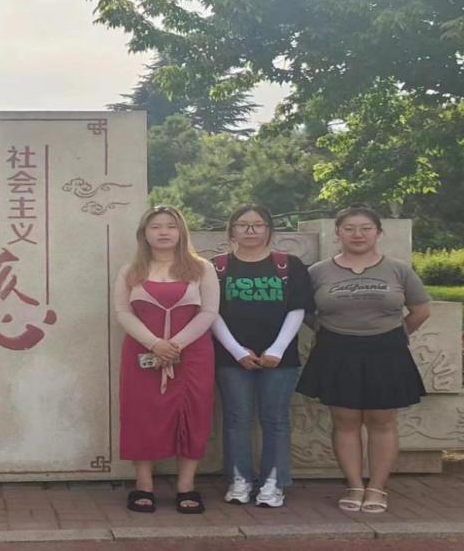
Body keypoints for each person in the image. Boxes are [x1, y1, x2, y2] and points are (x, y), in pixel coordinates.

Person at [296, 206, 431, 514]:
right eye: (350, 228)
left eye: (366, 228)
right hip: (336, 350)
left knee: (382, 420)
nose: (358, 234)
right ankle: (355, 484)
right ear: (338, 233)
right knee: (345, 421)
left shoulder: (398, 270)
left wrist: (397, 333)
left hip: (386, 351)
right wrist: (327, 331)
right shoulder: (318, 272)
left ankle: (377, 487)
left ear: (378, 233)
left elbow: (421, 310)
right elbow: (304, 312)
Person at [114, 204, 219, 514]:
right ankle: (143, 484)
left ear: (181, 231)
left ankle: (186, 485)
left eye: (171, 226)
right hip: (142, 353)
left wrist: (175, 345)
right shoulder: (131, 270)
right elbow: (123, 312)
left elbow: (209, 312)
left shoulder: (202, 268)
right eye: (156, 227)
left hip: (193, 354)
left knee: (193, 414)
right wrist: (154, 344)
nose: (164, 232)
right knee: (141, 414)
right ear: (144, 233)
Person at [210, 204, 314, 508]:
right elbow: (210, 312)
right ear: (232, 230)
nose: (250, 230)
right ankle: (239, 479)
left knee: (275, 419)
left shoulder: (289, 266)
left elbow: (298, 309)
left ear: (269, 230)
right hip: (231, 359)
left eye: (258, 224)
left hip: (280, 360)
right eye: (243, 224)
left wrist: (277, 349)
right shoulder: (216, 267)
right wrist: (235, 350)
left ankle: (273, 482)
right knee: (236, 419)